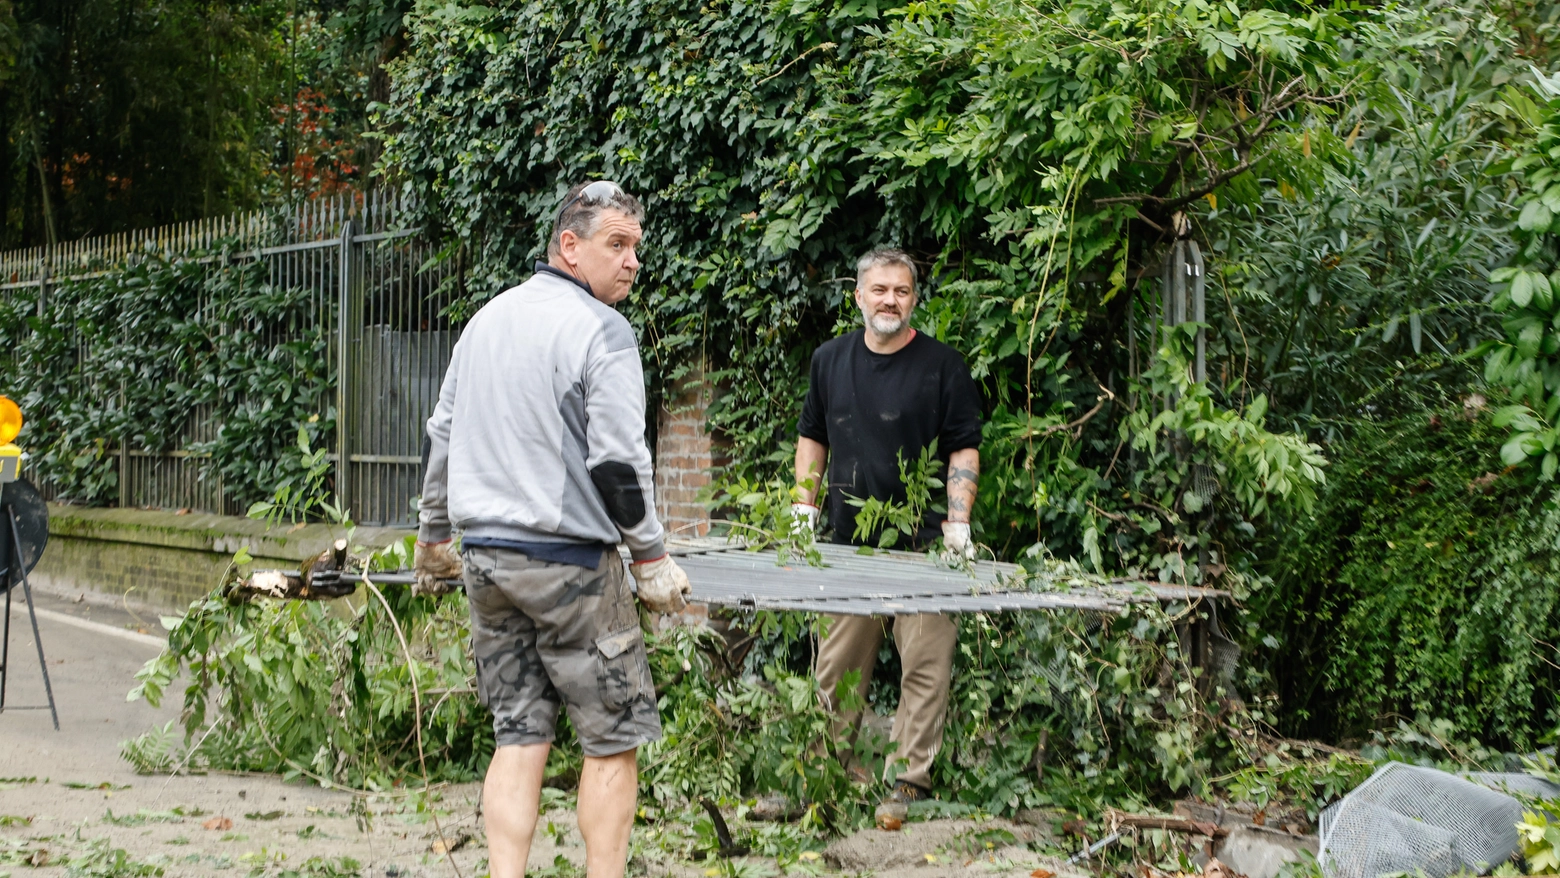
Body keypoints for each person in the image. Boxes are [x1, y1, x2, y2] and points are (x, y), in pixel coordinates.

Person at [413, 180, 692, 878]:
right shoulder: (603, 330)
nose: (632, 262)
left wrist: (432, 541)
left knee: (519, 732)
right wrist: (652, 559)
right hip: (571, 568)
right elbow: (620, 458)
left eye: (636, 248)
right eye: (616, 245)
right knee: (611, 740)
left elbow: (443, 437)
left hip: (485, 562)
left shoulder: (486, 320)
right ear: (570, 246)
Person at [791, 248, 982, 828]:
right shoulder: (830, 360)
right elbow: (813, 438)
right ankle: (827, 777)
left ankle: (906, 784)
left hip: (924, 548)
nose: (889, 301)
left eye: (900, 291)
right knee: (836, 670)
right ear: (858, 295)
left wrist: (958, 525)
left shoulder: (943, 367)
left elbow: (963, 447)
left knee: (925, 668)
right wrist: (802, 511)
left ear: (914, 298)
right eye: (879, 290)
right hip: (848, 547)